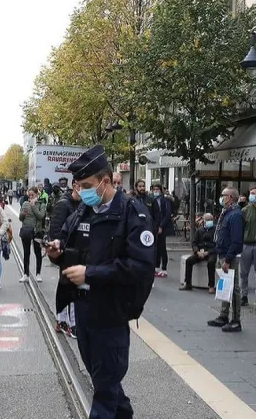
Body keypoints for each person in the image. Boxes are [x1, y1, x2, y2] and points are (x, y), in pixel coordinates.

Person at [45, 144, 155, 419]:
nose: (82, 192)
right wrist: (57, 253)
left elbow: (141, 266)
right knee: (105, 382)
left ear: (105, 182)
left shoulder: (133, 213)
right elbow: (71, 252)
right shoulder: (82, 212)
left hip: (111, 313)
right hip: (82, 311)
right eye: (79, 186)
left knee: (104, 392)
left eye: (87, 185)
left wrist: (90, 274)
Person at [206, 186, 245, 332]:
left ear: (231, 198)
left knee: (234, 288)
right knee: (224, 286)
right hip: (222, 253)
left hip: (230, 256)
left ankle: (236, 320)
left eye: (223, 195)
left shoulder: (235, 215)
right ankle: (223, 315)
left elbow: (236, 240)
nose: (221, 198)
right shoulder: (226, 212)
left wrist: (228, 260)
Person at [50, 179, 82, 338]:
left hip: (78, 254)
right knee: (65, 286)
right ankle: (63, 320)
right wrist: (59, 251)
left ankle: (72, 322)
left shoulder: (82, 204)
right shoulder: (64, 204)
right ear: (76, 186)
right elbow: (56, 230)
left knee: (73, 287)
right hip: (66, 254)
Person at [180, 212, 217, 293]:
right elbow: (194, 243)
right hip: (200, 251)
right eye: (207, 220)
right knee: (189, 261)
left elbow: (217, 245)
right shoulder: (199, 231)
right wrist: (197, 252)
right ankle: (188, 283)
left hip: (210, 252)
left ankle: (211, 285)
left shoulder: (216, 230)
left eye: (211, 219)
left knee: (211, 263)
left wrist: (208, 252)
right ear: (203, 221)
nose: (209, 221)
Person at [19, 187, 46, 283]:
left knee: (37, 252)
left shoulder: (41, 204)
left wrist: (34, 206)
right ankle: (25, 274)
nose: (30, 197)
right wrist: (23, 214)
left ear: (37, 195)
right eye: (29, 195)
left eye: (32, 195)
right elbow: (20, 218)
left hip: (37, 231)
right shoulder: (25, 203)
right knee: (26, 253)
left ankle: (38, 273)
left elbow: (41, 216)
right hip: (26, 230)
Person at [151, 183, 174, 278]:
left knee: (162, 248)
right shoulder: (152, 200)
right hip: (154, 227)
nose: (156, 191)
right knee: (156, 248)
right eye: (154, 189)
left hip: (163, 227)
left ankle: (164, 268)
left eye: (157, 189)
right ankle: (156, 267)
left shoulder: (165, 200)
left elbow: (167, 214)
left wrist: (161, 226)